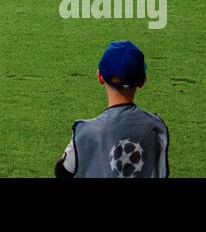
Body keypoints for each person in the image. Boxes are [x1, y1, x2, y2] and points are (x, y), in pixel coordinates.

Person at [54, 41, 169, 179]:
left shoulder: (87, 131)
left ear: (100, 77)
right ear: (142, 81)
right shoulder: (156, 126)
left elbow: (63, 172)